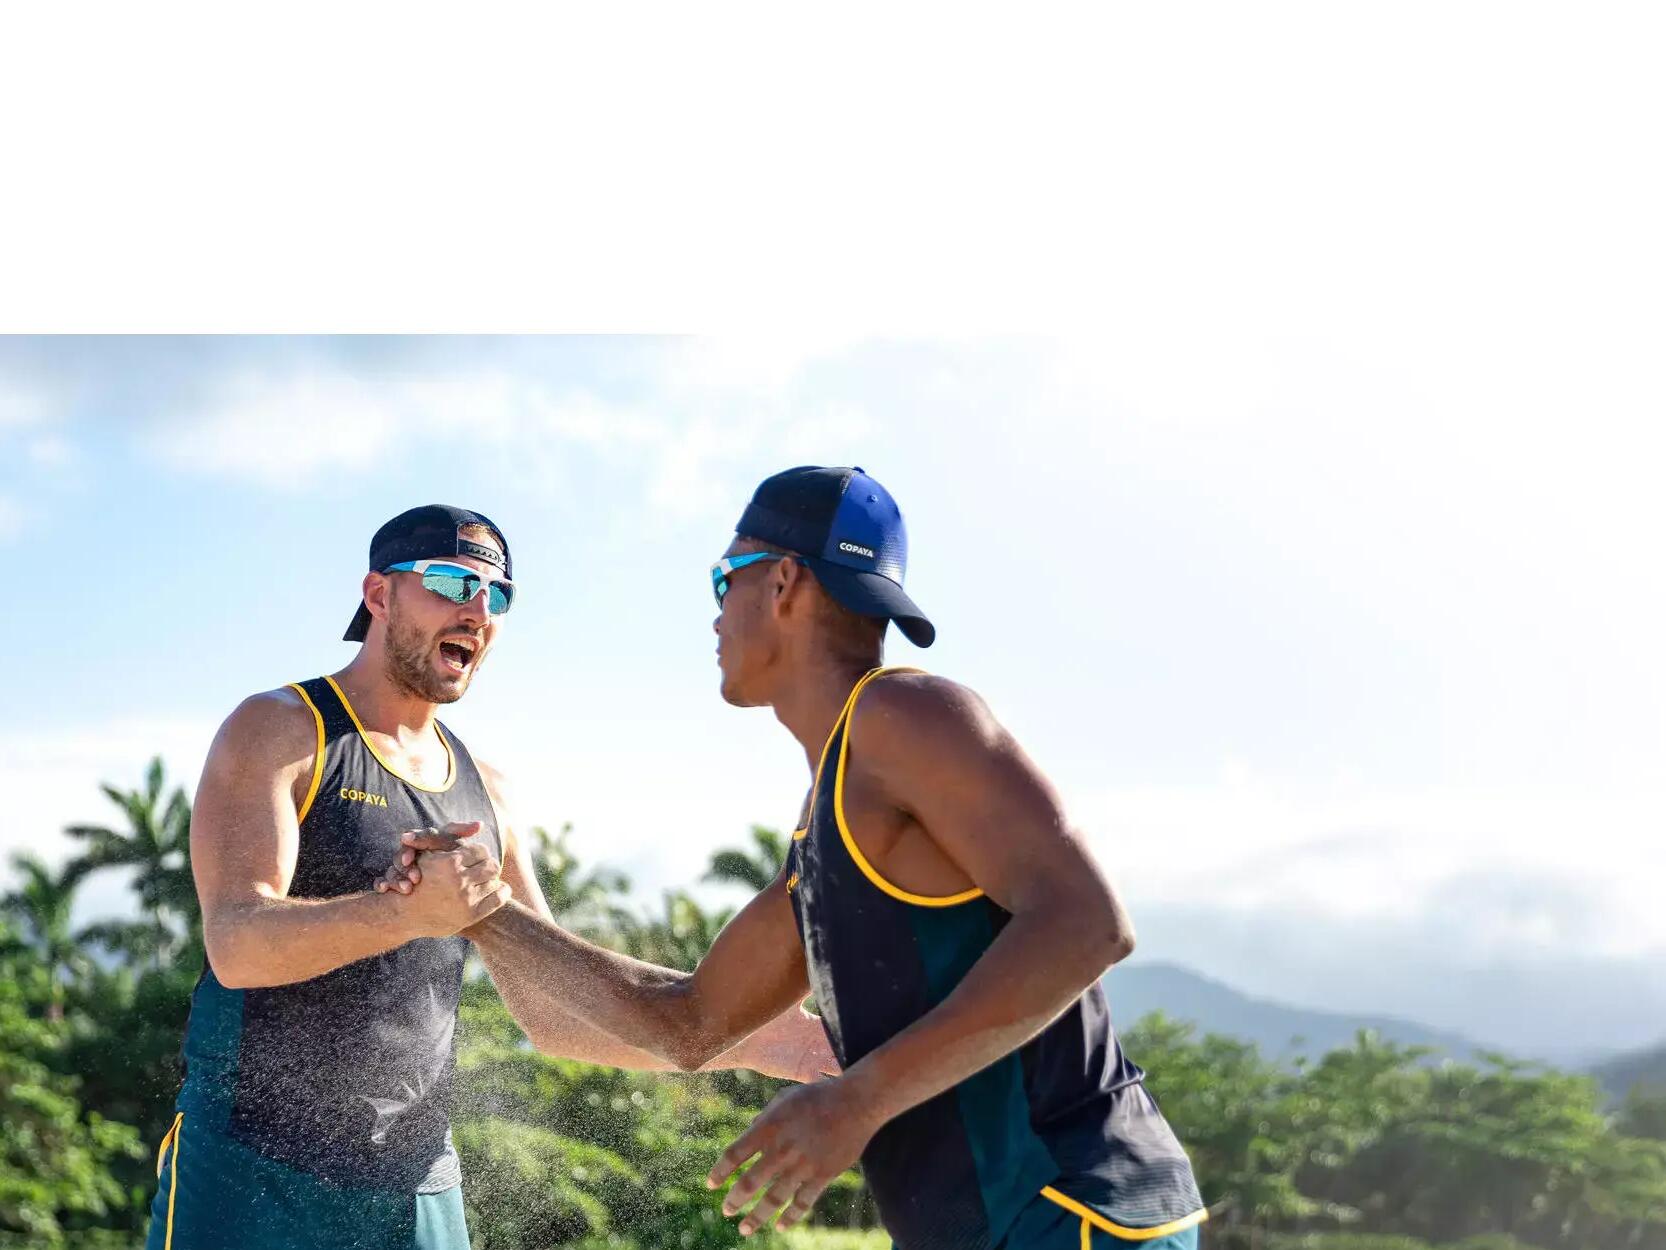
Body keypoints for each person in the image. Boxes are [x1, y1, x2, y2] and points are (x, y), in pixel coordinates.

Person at [393, 469, 1208, 1249]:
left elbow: (1087, 924)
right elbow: (686, 1025)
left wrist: (855, 1102)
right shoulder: (828, 820)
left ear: (782, 582)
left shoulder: (905, 713)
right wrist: (487, 913)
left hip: (1072, 1211)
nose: (715, 616)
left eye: (724, 581)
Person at [148, 504, 830, 1250]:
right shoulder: (280, 730)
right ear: (378, 596)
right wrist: (403, 913)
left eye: (497, 596)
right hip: (251, 1175)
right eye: (450, 583)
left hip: (417, 1191)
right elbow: (238, 944)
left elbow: (558, 1016)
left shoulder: (486, 790)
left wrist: (778, 1046)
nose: (478, 612)